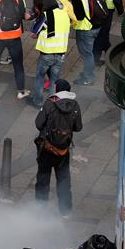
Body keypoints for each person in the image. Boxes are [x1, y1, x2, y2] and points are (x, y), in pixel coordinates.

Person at [33, 79, 82, 217]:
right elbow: (78, 127)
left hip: (47, 147)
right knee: (64, 180)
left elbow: (38, 123)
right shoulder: (75, 105)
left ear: (58, 89)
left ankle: (40, 209)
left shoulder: (50, 103)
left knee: (43, 178)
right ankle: (65, 211)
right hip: (63, 150)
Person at [28, 0, 71, 107]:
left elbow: (33, 33)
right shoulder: (65, 14)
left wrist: (35, 18)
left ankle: (37, 102)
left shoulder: (46, 16)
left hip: (47, 54)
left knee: (40, 77)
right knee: (54, 81)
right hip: (61, 54)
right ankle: (53, 105)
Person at [69, 0, 101, 86]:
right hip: (99, 22)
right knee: (90, 51)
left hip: (86, 28)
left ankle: (88, 77)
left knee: (86, 53)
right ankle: (89, 71)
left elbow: (79, 16)